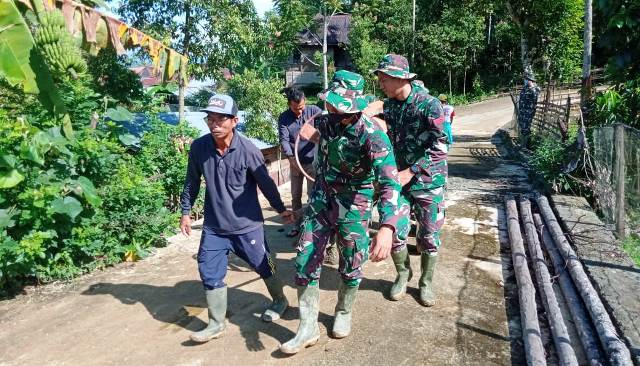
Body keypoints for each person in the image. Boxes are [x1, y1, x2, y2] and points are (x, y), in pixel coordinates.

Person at [279, 70, 409, 354]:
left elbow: (389, 183)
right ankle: (308, 327)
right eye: (330, 104)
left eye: (339, 107)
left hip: (355, 205)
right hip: (322, 200)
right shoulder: (325, 122)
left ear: (354, 107)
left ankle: (344, 310)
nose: (332, 110)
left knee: (351, 262)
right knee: (304, 258)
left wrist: (387, 228)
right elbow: (310, 134)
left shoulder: (373, 135)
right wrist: (311, 137)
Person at [180, 94, 295, 343]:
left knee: (267, 264)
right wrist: (186, 212)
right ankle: (216, 323)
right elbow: (191, 181)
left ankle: (279, 299)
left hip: (247, 226)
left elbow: (266, 183)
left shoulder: (248, 151)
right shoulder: (200, 148)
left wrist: (281, 209)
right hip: (214, 227)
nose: (214, 124)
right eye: (210, 118)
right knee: (208, 271)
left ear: (235, 121)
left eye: (221, 118)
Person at [374, 54, 448, 307]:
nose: (381, 84)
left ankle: (426, 283)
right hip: (399, 182)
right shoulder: (390, 106)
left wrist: (412, 170)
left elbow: (441, 145)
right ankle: (403, 274)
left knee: (428, 236)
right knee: (394, 230)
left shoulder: (430, 105)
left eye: (384, 79)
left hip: (428, 180)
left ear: (399, 78)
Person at [278, 87, 322, 238]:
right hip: (295, 162)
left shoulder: (314, 111)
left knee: (312, 195)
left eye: (302, 108)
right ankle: (297, 226)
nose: (300, 112)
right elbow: (283, 140)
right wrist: (291, 158)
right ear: (289, 105)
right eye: (296, 109)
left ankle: (310, 228)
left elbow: (327, 124)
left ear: (305, 102)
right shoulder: (284, 118)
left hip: (312, 162)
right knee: (295, 196)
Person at [517, 71, 540, 148]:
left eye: (526, 79)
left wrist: (531, 87)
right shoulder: (525, 88)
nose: (525, 80)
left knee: (526, 128)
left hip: (528, 113)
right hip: (523, 113)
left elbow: (533, 102)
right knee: (523, 129)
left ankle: (527, 147)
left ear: (530, 80)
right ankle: (524, 145)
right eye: (525, 79)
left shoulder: (534, 90)